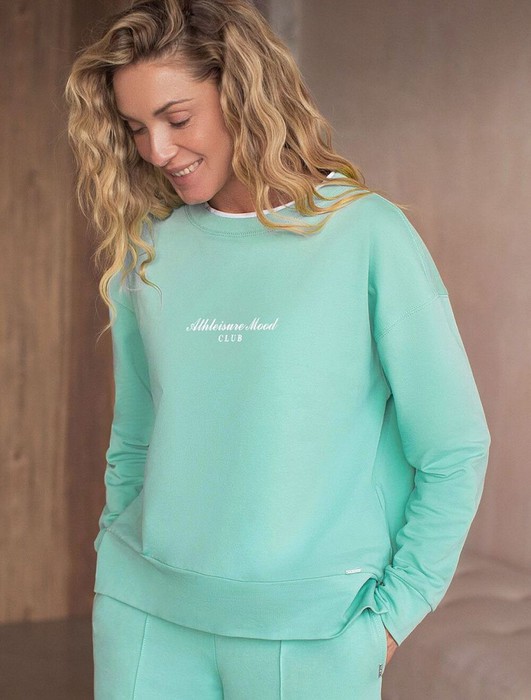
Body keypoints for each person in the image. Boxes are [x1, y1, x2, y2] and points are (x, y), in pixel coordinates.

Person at [65, 1, 491, 698]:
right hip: (145, 619)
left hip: (313, 634)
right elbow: (135, 437)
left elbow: (453, 449)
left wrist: (393, 616)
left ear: (242, 93)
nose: (157, 150)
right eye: (136, 128)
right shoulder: (150, 247)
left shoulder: (365, 235)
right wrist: (115, 554)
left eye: (177, 119)